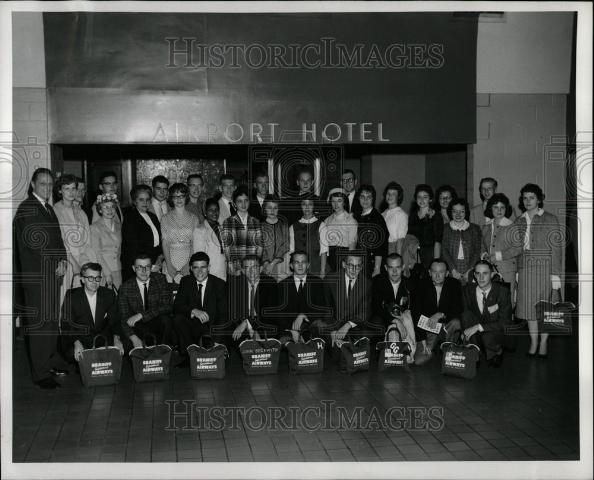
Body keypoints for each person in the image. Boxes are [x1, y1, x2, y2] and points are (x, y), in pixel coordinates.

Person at [13, 168, 71, 389]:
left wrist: (63, 260)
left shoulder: (46, 207)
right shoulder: (27, 208)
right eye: (42, 184)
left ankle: (51, 360)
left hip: (51, 275)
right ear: (33, 184)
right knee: (40, 325)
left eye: (49, 184)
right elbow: (35, 244)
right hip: (37, 277)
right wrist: (55, 262)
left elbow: (57, 239)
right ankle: (40, 372)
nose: (47, 188)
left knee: (49, 321)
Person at [514, 184, 563, 358]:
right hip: (526, 270)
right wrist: (518, 271)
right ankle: (533, 343)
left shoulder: (550, 219)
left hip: (545, 270)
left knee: (545, 310)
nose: (528, 201)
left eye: (531, 197)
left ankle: (543, 343)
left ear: (539, 199)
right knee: (529, 310)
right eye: (525, 198)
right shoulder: (519, 221)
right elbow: (517, 249)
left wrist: (555, 274)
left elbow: (556, 248)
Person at [60, 262, 124, 362]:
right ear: (82, 279)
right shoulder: (72, 296)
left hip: (102, 338)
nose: (94, 282)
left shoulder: (109, 294)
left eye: (97, 278)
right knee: (71, 353)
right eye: (90, 278)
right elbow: (66, 324)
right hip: (81, 338)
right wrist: (77, 343)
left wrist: (117, 339)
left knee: (126, 345)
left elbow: (115, 320)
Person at [173, 252, 228, 358]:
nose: (199, 271)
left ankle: (213, 347)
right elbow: (177, 306)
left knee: (216, 362)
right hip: (193, 326)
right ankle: (188, 355)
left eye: (203, 267)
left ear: (209, 268)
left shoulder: (219, 284)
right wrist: (193, 310)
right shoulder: (186, 281)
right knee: (178, 319)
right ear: (190, 268)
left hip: (212, 326)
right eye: (196, 268)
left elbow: (223, 315)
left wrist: (217, 341)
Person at [53, 174, 96, 306]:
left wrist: (87, 263)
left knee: (81, 303)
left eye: (74, 188)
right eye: (67, 189)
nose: (71, 192)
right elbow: (59, 242)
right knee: (64, 301)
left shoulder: (81, 212)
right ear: (60, 190)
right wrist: (74, 264)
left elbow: (87, 241)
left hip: (83, 262)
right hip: (66, 262)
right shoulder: (55, 211)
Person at [410, 258, 463, 365]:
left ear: (447, 273)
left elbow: (458, 308)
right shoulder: (421, 285)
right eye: (434, 272)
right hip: (429, 328)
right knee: (419, 361)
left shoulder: (455, 284)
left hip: (446, 326)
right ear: (429, 272)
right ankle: (433, 348)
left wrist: (440, 314)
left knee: (456, 323)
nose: (438, 276)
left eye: (441, 272)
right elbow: (415, 313)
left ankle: (449, 350)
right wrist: (422, 341)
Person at [461, 260, 512, 367]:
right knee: (466, 315)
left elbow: (505, 322)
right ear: (474, 275)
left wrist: (479, 327)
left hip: (495, 330)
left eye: (485, 273)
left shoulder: (502, 291)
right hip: (476, 330)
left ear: (492, 275)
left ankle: (497, 352)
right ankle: (474, 354)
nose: (481, 277)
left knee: (488, 336)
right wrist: (464, 331)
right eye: (478, 273)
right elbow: (466, 316)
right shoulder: (467, 291)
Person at [118, 254, 174, 349]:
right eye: (139, 267)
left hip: (156, 321)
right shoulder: (125, 287)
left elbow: (167, 306)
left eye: (147, 267)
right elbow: (123, 318)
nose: (144, 271)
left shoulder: (160, 279)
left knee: (166, 320)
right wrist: (133, 337)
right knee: (127, 341)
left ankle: (162, 352)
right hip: (138, 327)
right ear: (133, 268)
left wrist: (142, 315)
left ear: (151, 267)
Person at [277, 251, 332, 341]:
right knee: (284, 340)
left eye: (303, 262)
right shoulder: (282, 285)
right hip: (291, 327)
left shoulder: (317, 282)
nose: (300, 265)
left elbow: (322, 308)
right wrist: (291, 330)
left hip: (312, 324)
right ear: (291, 265)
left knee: (322, 328)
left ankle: (322, 353)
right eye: (296, 262)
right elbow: (280, 313)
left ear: (308, 265)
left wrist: (304, 315)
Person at [371, 253, 416, 362]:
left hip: (405, 320)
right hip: (385, 318)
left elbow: (416, 309)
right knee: (376, 321)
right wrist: (395, 321)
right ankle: (381, 352)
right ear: (386, 268)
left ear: (403, 267)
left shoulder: (410, 283)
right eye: (391, 268)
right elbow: (376, 307)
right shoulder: (378, 281)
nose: (395, 272)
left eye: (398, 267)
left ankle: (409, 348)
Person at [320, 253, 373, 345]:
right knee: (319, 328)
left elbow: (365, 311)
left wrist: (348, 325)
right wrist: (333, 330)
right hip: (333, 322)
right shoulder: (330, 279)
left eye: (358, 266)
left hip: (353, 324)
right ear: (344, 264)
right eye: (350, 265)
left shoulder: (366, 284)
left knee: (367, 334)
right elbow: (326, 307)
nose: (354, 269)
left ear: (362, 267)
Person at [481, 193, 522, 304]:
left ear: (506, 209)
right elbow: (482, 245)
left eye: (502, 207)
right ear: (490, 208)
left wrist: (497, 256)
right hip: (489, 271)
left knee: (506, 303)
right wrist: (484, 254)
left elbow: (517, 248)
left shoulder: (512, 226)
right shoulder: (486, 227)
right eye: (496, 207)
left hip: (507, 271)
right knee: (490, 303)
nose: (499, 210)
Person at [230, 256, 279, 341]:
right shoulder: (236, 285)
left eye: (254, 267)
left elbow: (269, 314)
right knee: (233, 336)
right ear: (243, 271)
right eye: (247, 268)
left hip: (263, 323)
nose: (251, 271)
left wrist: (249, 324)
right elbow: (233, 311)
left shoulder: (270, 284)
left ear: (260, 269)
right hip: (242, 324)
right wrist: (248, 327)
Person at [121, 184, 163, 281]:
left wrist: (159, 259)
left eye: (148, 199)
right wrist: (149, 265)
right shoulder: (130, 218)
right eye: (141, 199)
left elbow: (159, 241)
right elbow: (133, 247)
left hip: (155, 265)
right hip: (139, 267)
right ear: (135, 201)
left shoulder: (152, 216)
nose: (145, 202)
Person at [161, 183, 201, 284]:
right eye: (175, 196)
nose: (179, 199)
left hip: (188, 259)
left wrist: (188, 263)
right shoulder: (165, 218)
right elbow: (165, 243)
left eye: (182, 196)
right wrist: (169, 265)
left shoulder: (194, 218)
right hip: (170, 259)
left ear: (186, 197)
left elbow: (194, 243)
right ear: (171, 198)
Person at [220, 185, 263, 276]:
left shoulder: (256, 221)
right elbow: (227, 247)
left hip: (252, 267)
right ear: (234, 203)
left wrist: (257, 263)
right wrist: (230, 264)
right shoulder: (228, 222)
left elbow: (259, 246)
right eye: (239, 201)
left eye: (246, 200)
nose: (243, 204)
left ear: (249, 202)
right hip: (236, 267)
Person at [441, 198, 482, 285]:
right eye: (455, 211)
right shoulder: (445, 229)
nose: (458, 214)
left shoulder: (475, 229)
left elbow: (477, 250)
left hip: (470, 269)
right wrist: (452, 270)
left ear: (466, 212)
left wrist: (470, 270)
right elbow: (444, 250)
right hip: (451, 269)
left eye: (462, 211)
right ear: (450, 212)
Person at [354, 184, 389, 278]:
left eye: (369, 197)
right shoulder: (356, 216)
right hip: (359, 262)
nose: (365, 200)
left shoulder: (377, 218)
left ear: (373, 199)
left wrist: (377, 268)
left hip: (371, 265)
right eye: (362, 197)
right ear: (358, 198)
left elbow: (380, 246)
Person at [90, 192, 123, 289]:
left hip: (117, 268)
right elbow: (97, 252)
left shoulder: (118, 225)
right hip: (103, 270)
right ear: (100, 210)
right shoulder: (95, 227)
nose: (110, 210)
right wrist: (107, 273)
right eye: (105, 207)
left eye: (112, 207)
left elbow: (119, 250)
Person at [320, 189, 358, 274]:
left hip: (343, 256)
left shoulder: (350, 220)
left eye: (339, 201)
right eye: (333, 201)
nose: (336, 204)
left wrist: (350, 263)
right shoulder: (327, 220)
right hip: (329, 257)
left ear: (344, 202)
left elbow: (352, 245)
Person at [289, 195, 326, 277]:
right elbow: (292, 250)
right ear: (300, 206)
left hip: (316, 267)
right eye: (304, 204)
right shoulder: (293, 226)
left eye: (310, 204)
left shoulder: (321, 225)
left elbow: (324, 250)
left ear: (314, 206)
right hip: (299, 269)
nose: (307, 207)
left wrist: (322, 271)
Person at [407, 184, 443, 268]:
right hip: (414, 254)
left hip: (430, 254)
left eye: (425, 197)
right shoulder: (413, 215)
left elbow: (438, 241)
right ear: (416, 199)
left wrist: (436, 262)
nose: (422, 200)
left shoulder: (436, 216)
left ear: (430, 199)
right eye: (419, 197)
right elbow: (409, 237)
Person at [193, 197, 226, 281]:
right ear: (205, 212)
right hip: (208, 276)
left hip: (223, 273)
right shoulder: (200, 230)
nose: (214, 213)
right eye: (211, 210)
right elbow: (199, 258)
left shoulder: (222, 228)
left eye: (216, 210)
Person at [261, 195, 289, 281]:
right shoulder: (259, 227)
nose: (272, 211)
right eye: (269, 207)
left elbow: (286, 245)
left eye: (275, 208)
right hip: (264, 266)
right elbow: (259, 247)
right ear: (264, 209)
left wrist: (273, 263)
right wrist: (266, 264)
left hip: (282, 265)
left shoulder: (283, 226)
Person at [381, 181, 408, 255]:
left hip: (393, 249)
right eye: (388, 193)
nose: (390, 196)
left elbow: (401, 240)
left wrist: (398, 258)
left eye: (393, 194)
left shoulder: (401, 215)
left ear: (398, 196)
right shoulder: (382, 214)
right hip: (382, 248)